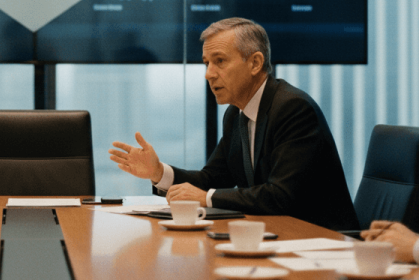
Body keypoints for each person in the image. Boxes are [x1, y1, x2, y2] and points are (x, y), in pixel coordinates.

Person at [109, 17, 359, 231]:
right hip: (273, 235)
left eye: (219, 61)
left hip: (321, 241)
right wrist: (158, 172)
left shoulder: (292, 108)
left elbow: (280, 196)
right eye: (206, 63)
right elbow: (212, 179)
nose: (208, 73)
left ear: (255, 63)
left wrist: (206, 198)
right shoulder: (235, 114)